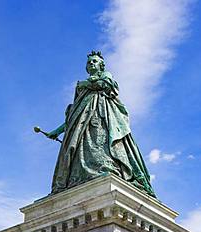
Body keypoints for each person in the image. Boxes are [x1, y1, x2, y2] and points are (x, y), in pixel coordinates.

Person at [47, 51, 155, 197]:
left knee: (101, 144)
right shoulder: (82, 90)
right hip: (82, 129)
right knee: (81, 150)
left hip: (103, 119)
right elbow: (73, 119)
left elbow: (107, 85)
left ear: (101, 66)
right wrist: (57, 131)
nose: (91, 63)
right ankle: (81, 176)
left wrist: (86, 83)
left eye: (95, 61)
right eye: (89, 62)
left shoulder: (104, 77)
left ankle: (106, 167)